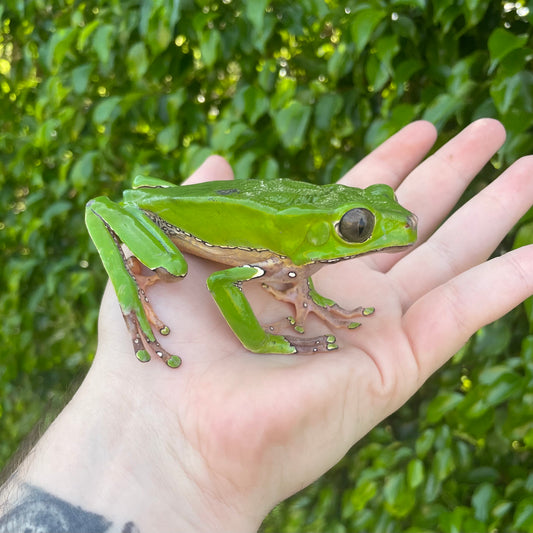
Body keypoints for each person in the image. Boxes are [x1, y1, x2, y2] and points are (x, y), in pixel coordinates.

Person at [1, 119, 533, 533]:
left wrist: (304, 287)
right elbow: (224, 283)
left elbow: (291, 266)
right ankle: (131, 290)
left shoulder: (296, 249)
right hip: (162, 221)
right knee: (178, 266)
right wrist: (263, 340)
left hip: (264, 232)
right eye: (356, 227)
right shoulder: (282, 251)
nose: (392, 227)